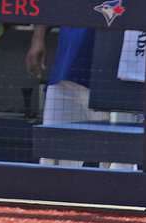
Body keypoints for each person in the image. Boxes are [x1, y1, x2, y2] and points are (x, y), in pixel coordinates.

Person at [27, 26, 136, 169]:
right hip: (67, 70)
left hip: (116, 78)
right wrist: (38, 38)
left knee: (118, 164)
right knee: (52, 160)